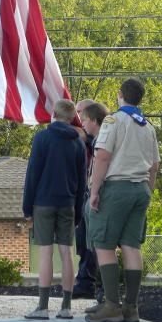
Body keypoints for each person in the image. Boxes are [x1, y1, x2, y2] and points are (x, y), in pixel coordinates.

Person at [84, 78, 160, 322]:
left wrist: (94, 191)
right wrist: (147, 191)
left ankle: (112, 306)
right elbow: (155, 166)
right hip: (140, 190)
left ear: (120, 95)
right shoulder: (147, 126)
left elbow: (103, 157)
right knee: (131, 245)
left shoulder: (113, 120)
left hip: (116, 189)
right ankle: (131, 307)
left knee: (103, 244)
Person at [22, 98, 87, 320]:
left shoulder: (42, 138)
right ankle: (66, 307)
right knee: (67, 253)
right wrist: (78, 210)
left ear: (54, 115)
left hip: (43, 202)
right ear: (71, 118)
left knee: (46, 252)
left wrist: (27, 207)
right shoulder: (78, 143)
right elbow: (82, 182)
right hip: (67, 203)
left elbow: (33, 174)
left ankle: (42, 307)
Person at [73, 100, 109, 305]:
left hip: (98, 193)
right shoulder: (85, 137)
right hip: (85, 191)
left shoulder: (100, 139)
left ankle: (101, 289)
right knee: (84, 239)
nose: (79, 120)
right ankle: (86, 282)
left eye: (82, 115)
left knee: (99, 243)